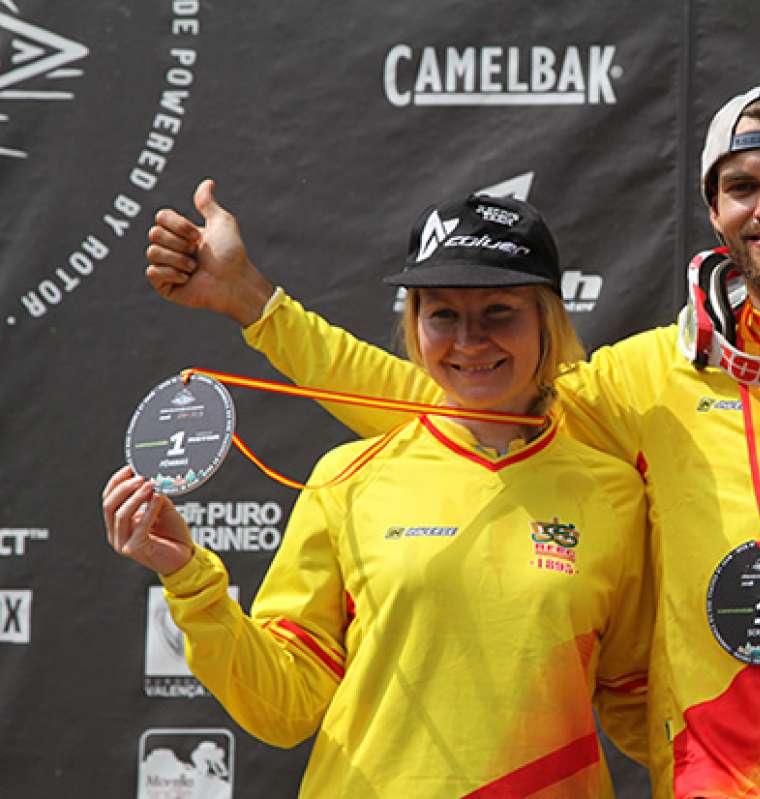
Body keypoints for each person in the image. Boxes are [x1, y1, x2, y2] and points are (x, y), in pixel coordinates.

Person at [145, 84, 760, 798]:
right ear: (714, 210)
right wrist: (253, 305)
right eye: (742, 185)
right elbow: (451, 397)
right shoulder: (647, 376)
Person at [108, 194, 653, 797]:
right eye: (442, 315)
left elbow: (638, 700)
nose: (470, 340)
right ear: (415, 324)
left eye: (500, 311)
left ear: (548, 320)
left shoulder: (614, 493)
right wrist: (188, 578)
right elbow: (284, 708)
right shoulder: (349, 476)